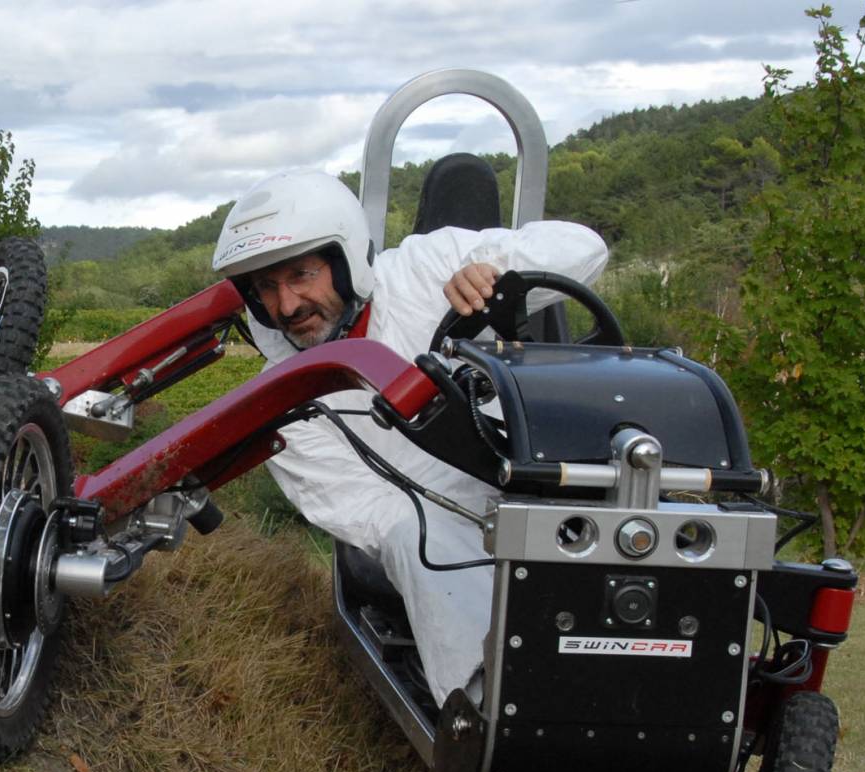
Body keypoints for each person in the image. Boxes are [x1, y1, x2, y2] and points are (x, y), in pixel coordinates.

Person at [211, 168, 607, 708]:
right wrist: (476, 529)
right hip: (431, 521)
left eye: (302, 275)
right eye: (267, 288)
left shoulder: (424, 265)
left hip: (525, 471)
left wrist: (496, 274)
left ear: (344, 262)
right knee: (415, 538)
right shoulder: (284, 404)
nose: (286, 305)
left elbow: (585, 247)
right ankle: (487, 708)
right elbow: (373, 516)